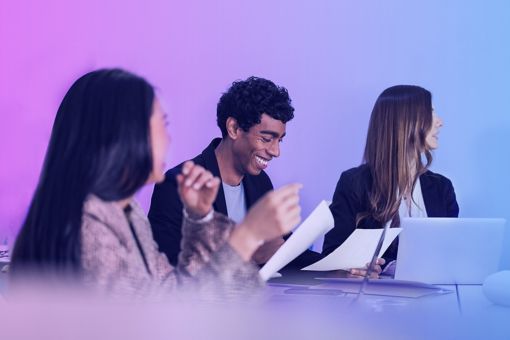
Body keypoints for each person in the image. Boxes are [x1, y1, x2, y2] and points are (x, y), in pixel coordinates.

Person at [10, 69, 302, 295]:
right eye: (161, 125)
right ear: (119, 137)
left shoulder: (127, 214)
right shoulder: (90, 226)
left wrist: (199, 221)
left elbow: (175, 292)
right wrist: (247, 236)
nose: (169, 138)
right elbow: (172, 316)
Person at [149, 76, 320, 268]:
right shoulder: (178, 183)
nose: (275, 151)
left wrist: (337, 267)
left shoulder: (261, 182)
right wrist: (247, 255)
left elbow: (284, 248)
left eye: (279, 140)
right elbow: (166, 269)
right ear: (234, 128)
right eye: (266, 139)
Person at [323, 85, 459, 278]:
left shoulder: (441, 188)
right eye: (430, 113)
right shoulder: (354, 183)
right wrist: (350, 270)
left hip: (430, 296)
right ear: (405, 122)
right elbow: (331, 256)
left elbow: (452, 254)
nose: (440, 122)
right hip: (372, 300)